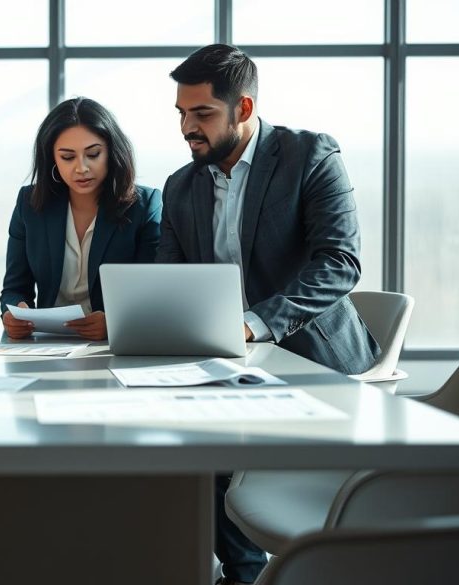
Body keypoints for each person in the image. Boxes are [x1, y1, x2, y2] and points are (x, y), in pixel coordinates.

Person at [156, 45, 381, 584]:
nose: (189, 127)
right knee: (170, 437)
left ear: (244, 108)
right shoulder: (182, 186)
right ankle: (243, 572)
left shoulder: (309, 155)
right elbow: (169, 283)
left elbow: (340, 262)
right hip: (224, 366)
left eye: (202, 113)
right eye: (182, 114)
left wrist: (255, 323)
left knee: (212, 448)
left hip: (315, 363)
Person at [0, 97, 162, 340]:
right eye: (67, 157)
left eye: (93, 154)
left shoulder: (144, 205)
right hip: (47, 343)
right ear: (52, 158)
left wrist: (114, 321)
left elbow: (152, 292)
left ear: (111, 152)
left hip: (113, 343)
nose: (81, 168)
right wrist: (14, 313)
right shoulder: (30, 203)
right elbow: (14, 289)